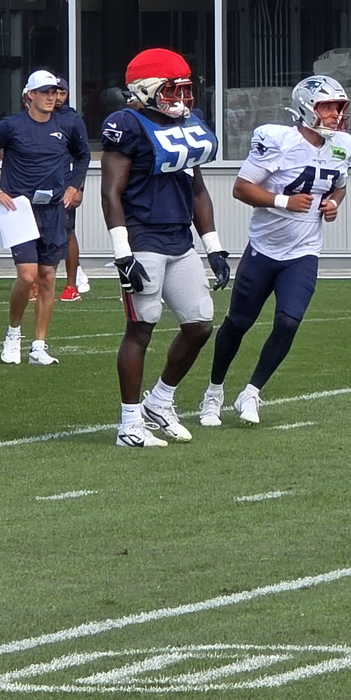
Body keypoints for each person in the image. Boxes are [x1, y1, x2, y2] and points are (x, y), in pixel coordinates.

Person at [200, 75, 351, 427]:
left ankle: (251, 391)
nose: (335, 114)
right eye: (327, 106)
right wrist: (283, 201)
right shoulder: (278, 140)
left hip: (304, 252)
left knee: (288, 321)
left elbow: (339, 187)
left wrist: (332, 204)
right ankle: (214, 392)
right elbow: (241, 188)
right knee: (238, 323)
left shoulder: (342, 145)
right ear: (306, 108)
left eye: (339, 107)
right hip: (264, 249)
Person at [101, 48, 229, 448]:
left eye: (186, 89)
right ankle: (129, 425)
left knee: (199, 324)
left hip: (179, 238)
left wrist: (214, 247)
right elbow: (110, 192)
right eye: (173, 89)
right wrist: (123, 253)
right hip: (142, 237)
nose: (182, 98)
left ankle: (159, 401)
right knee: (141, 327)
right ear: (146, 89)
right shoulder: (127, 124)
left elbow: (197, 189)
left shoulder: (187, 124)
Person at [0, 70, 90, 367]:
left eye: (54, 92)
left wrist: (74, 185)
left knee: (47, 276)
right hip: (19, 209)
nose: (51, 97)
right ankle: (13, 334)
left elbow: (83, 155)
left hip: (53, 210)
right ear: (30, 95)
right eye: (45, 92)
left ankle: (39, 345)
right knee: (26, 276)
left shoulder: (66, 124)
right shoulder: (11, 126)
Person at [53, 79, 90, 303]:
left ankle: (71, 284)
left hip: (65, 185)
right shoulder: (33, 117)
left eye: (62, 92)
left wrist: (78, 187)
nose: (57, 97)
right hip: (37, 185)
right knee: (35, 234)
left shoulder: (72, 119)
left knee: (67, 231)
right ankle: (36, 284)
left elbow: (82, 155)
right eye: (53, 92)